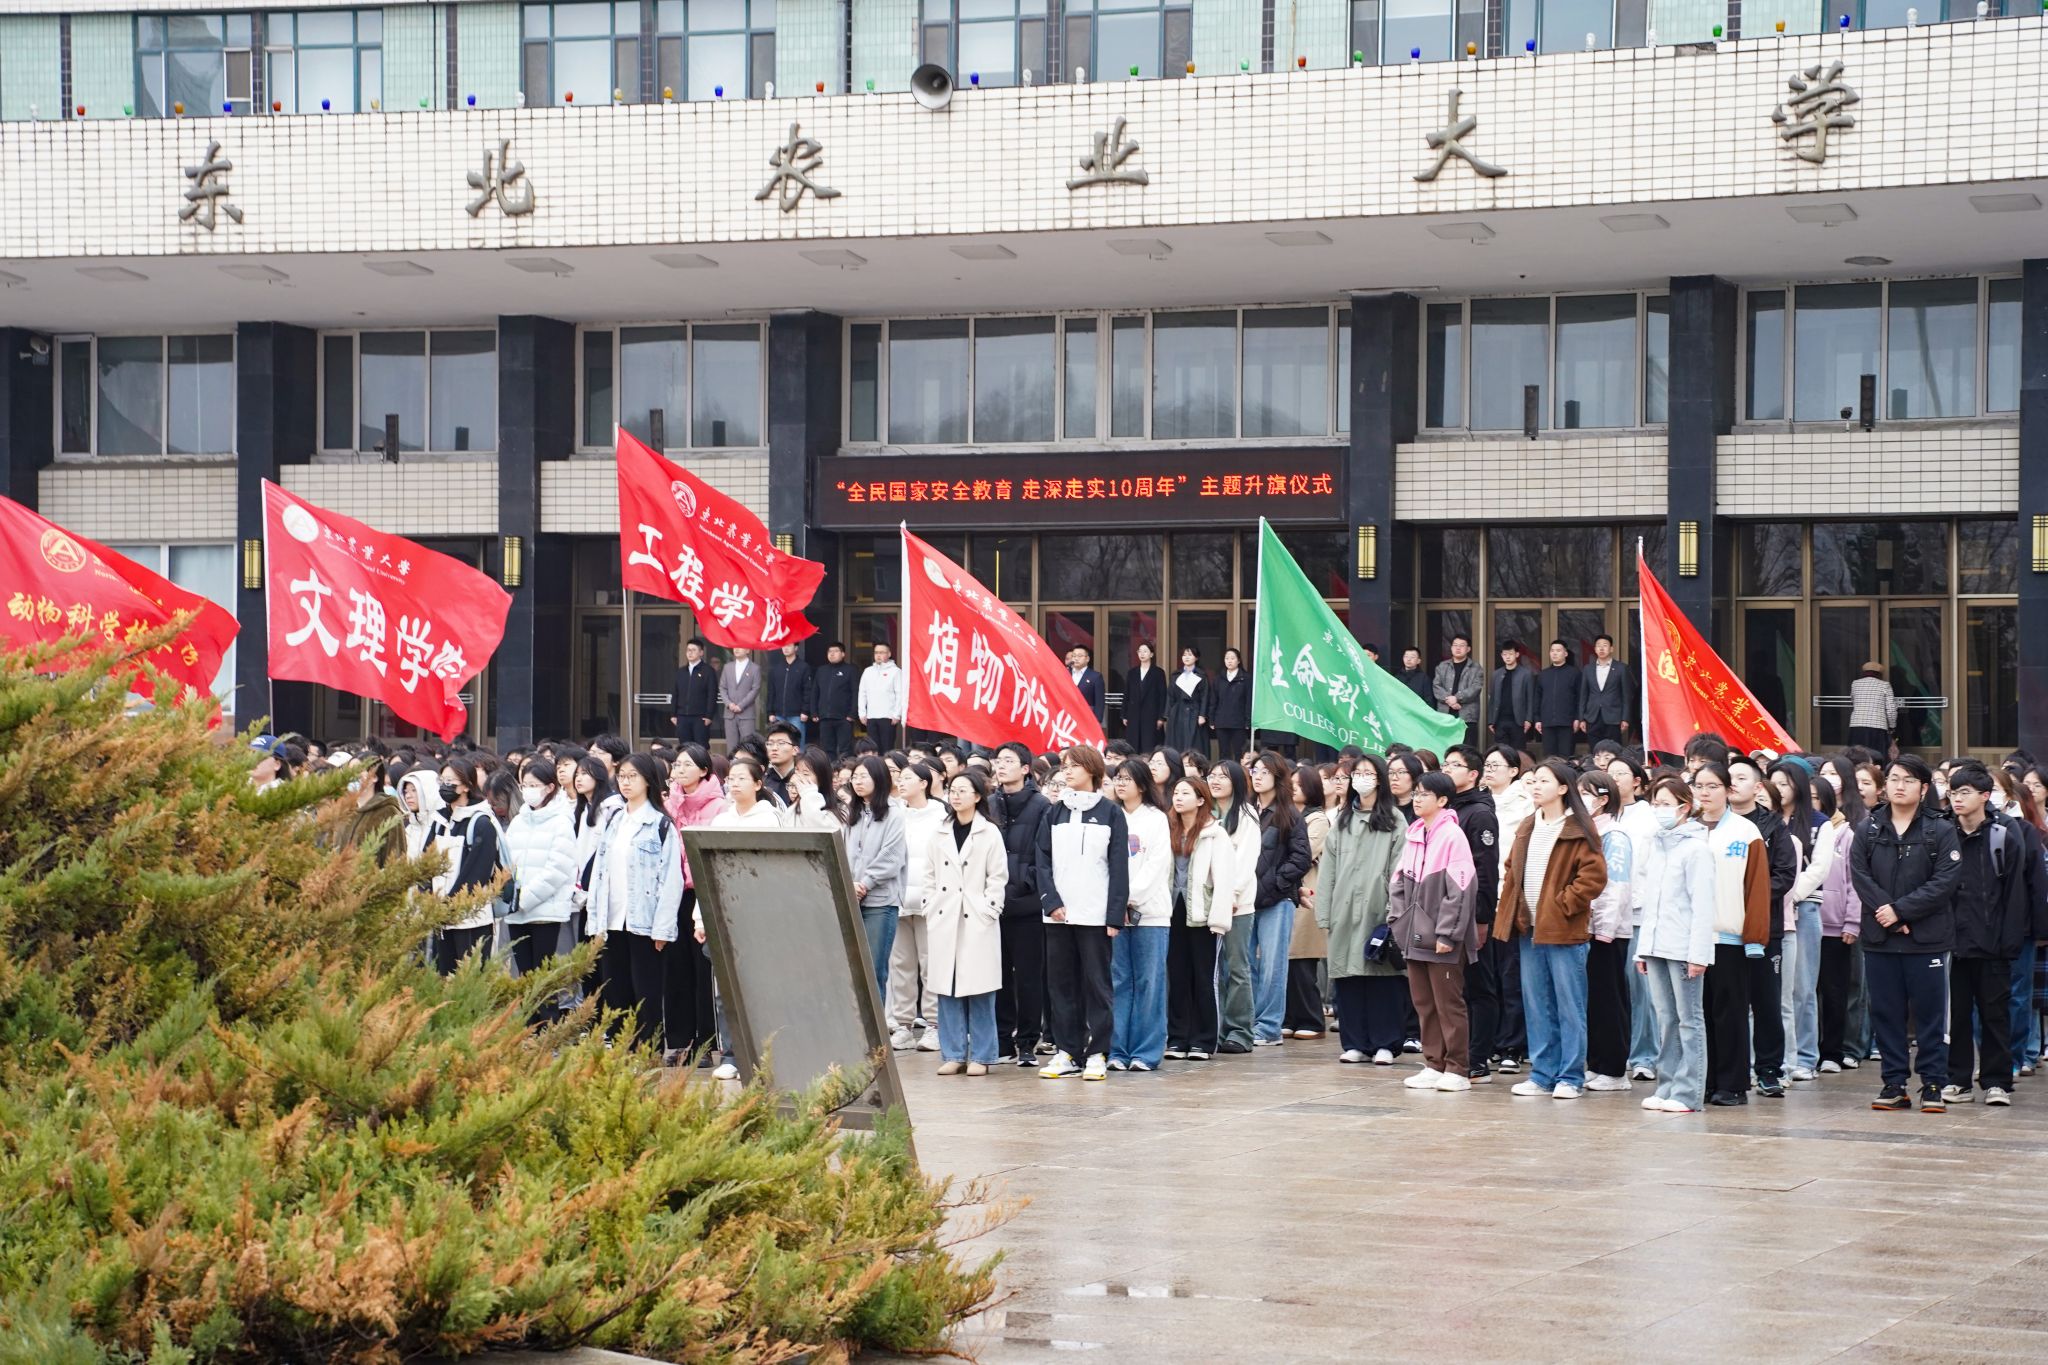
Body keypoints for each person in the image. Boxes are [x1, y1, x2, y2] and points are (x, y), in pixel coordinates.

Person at [1852, 755, 1962, 1112]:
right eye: (1894, 779)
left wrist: (1902, 911)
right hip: (1881, 939)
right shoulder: (1868, 828)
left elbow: (1945, 881)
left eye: (1909, 780)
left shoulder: (1940, 829)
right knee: (1886, 1014)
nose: (1900, 786)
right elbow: (1860, 876)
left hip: (1926, 939)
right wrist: (1888, 913)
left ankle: (1933, 1083)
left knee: (1931, 1015)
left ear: (1924, 788)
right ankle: (1894, 1083)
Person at [1495, 759, 1607, 1100]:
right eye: (1533, 781)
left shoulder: (1578, 827)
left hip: (1563, 930)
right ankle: (1542, 1074)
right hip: (1529, 928)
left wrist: (1562, 905)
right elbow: (1511, 867)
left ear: (1562, 788)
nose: (1536, 786)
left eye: (1544, 781)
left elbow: (1593, 877)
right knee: (1537, 1004)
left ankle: (1570, 1076)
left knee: (1570, 1006)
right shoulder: (1529, 824)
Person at [1036, 746, 1129, 1082]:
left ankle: (1098, 1052)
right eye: (1065, 766)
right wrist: (1051, 902)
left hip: (1095, 914)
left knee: (1097, 985)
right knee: (1061, 986)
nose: (1068, 771)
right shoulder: (1055, 812)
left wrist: (1114, 915)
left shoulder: (1111, 813)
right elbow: (1041, 860)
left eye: (1074, 765)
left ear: (1092, 770)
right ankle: (1067, 1051)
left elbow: (1119, 867)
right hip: (1059, 915)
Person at [1943, 765, 2031, 1106]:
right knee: (1957, 1015)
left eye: (1964, 792)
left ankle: (1997, 1082)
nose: (1957, 799)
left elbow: (2015, 893)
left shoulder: (2003, 834)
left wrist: (2010, 942)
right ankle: (1959, 1080)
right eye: (1953, 792)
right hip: (1952, 942)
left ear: (1984, 796)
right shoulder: (1943, 833)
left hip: (1993, 942)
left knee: (1995, 1015)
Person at [1632, 774, 1719, 1114]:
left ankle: (1688, 1092)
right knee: (1666, 1018)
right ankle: (1666, 1085)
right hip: (1656, 945)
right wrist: (1642, 949)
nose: (1659, 809)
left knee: (1689, 1020)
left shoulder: (1697, 849)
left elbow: (1703, 905)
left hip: (1683, 947)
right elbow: (1649, 900)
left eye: (1665, 804)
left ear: (1684, 807)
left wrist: (1699, 955)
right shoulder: (1655, 845)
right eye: (1655, 803)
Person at [585, 752, 683, 1053]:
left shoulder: (660, 825)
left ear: (648, 780)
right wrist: (595, 921)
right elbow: (599, 873)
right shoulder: (615, 820)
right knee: (616, 991)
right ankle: (621, 1051)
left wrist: (662, 928)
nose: (625, 782)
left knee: (647, 994)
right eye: (622, 776)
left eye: (633, 777)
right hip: (612, 920)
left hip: (645, 923)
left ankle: (648, 1053)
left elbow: (671, 880)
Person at [1389, 771, 1480, 1092]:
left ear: (1442, 800)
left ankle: (1457, 1068)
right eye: (1416, 793)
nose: (1417, 799)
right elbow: (1398, 883)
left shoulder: (1453, 836)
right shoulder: (1415, 833)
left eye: (1424, 794)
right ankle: (1433, 1063)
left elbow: (1461, 890)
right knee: (1424, 1003)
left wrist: (1447, 934)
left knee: (1448, 1004)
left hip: (1442, 938)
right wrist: (1398, 922)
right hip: (1414, 935)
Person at [1691, 762, 1771, 1107]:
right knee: (1698, 1014)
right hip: (1691, 939)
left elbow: (1756, 888)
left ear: (1728, 790)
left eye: (1713, 786)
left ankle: (1733, 1084)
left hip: (1729, 939)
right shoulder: (1686, 829)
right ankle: (1705, 1081)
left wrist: (1754, 938)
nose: (1705, 792)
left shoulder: (1745, 832)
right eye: (1699, 786)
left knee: (1730, 1012)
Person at [1321, 754, 1408, 1064]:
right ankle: (1354, 1042)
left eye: (1368, 773)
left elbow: (1400, 867)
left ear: (1380, 779)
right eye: (1357, 773)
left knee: (1382, 976)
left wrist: (1393, 908)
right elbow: (1328, 869)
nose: (1361, 778)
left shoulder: (1395, 819)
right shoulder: (1343, 820)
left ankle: (1386, 1043)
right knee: (1348, 976)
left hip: (1379, 908)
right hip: (1344, 909)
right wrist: (1325, 911)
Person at [924, 770, 1008, 1076]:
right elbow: (929, 874)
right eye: (953, 790)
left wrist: (990, 909)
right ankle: (954, 1053)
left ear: (977, 796)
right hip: (945, 916)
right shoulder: (939, 831)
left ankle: (983, 1056)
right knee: (947, 987)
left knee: (980, 988)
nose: (956, 796)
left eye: (963, 790)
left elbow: (997, 877)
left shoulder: (989, 832)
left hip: (976, 917)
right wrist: (930, 905)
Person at [1729, 754, 1795, 1098]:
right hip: (1721, 928)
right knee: (1728, 1003)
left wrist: (1748, 896)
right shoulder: (1713, 823)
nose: (1733, 782)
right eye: (1729, 777)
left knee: (1767, 1001)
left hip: (1765, 927)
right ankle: (1731, 1070)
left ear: (1757, 787)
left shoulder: (1772, 826)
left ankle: (1769, 1070)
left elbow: (1785, 874)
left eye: (1742, 777)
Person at [1440, 746, 1502, 1081]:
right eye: (1445, 763)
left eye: (1455, 764)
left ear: (1473, 774)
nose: (1447, 768)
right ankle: (1455, 1054)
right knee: (1452, 988)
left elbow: (1485, 870)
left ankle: (1478, 1058)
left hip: (1472, 911)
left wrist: (1481, 918)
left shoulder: (1479, 814)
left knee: (1479, 986)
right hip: (1445, 909)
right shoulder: (1447, 808)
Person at [1108, 757, 1172, 1072]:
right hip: (1114, 915)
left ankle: (1146, 1052)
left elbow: (1156, 867)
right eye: (1117, 778)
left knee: (1150, 982)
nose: (1120, 784)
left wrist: (1128, 899)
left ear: (1142, 785)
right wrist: (1115, 904)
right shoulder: (1110, 816)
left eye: (1127, 779)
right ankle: (1117, 1050)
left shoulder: (1157, 819)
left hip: (1151, 915)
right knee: (1119, 981)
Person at [1165, 774, 1235, 1061]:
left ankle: (1204, 1040)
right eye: (1176, 793)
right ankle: (1177, 1038)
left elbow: (1224, 879)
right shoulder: (1167, 829)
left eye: (1185, 793)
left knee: (1204, 977)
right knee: (1177, 975)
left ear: (1200, 800)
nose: (1178, 798)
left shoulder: (1215, 833)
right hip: (1172, 910)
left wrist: (1219, 919)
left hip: (1203, 914)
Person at [663, 744, 725, 1063]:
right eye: (677, 764)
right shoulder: (668, 804)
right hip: (673, 892)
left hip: (702, 892)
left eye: (688, 765)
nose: (680, 769)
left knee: (703, 970)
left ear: (704, 770)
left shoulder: (719, 807)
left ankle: (705, 1042)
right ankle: (679, 1041)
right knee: (676, 968)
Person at [990, 742, 1051, 1065]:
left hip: (1027, 905)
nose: (1001, 766)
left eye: (1008, 761)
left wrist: (1025, 883)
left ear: (1026, 769)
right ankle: (1002, 1041)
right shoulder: (989, 804)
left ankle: (1027, 1041)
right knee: (997, 976)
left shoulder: (1041, 806)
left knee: (1028, 977)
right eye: (998, 761)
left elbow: (1044, 854)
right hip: (992, 904)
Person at [503, 757, 580, 1015]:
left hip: (545, 911)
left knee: (543, 977)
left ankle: (548, 1027)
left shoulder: (561, 821)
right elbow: (507, 861)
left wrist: (524, 898)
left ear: (550, 787)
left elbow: (557, 870)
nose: (528, 790)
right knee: (525, 977)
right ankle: (529, 1026)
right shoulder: (519, 821)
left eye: (534, 785)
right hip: (517, 912)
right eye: (524, 785)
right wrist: (509, 895)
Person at [1576, 769, 1635, 1092]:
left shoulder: (1615, 835)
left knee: (1609, 999)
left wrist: (1604, 929)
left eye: (1585, 793)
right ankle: (1596, 1063)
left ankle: (1614, 1069)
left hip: (1607, 932)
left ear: (1603, 799)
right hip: (1586, 929)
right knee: (1594, 1000)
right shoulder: (1586, 831)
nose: (1579, 799)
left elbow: (1616, 886)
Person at [1248, 752, 1312, 1047]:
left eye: (1264, 771)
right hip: (1245, 899)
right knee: (1244, 963)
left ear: (1278, 777)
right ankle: (1246, 1022)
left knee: (1273, 966)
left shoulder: (1289, 814)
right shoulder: (1246, 812)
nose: (1258, 776)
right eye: (1255, 771)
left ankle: (1269, 1026)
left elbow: (1301, 858)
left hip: (1277, 900)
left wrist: (1275, 883)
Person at [888, 760, 947, 1054]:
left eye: (908, 778)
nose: (901, 782)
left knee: (930, 964)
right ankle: (903, 1025)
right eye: (900, 778)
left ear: (924, 783)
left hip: (929, 903)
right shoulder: (894, 814)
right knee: (901, 966)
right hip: (898, 900)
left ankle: (935, 1025)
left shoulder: (941, 816)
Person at [1480, 743, 1531, 1071]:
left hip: (1509, 899)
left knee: (1511, 975)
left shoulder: (1525, 805)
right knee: (1486, 977)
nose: (1489, 769)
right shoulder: (1478, 802)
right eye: (1486, 764)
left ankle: (1513, 1044)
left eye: (1496, 765)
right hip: (1481, 898)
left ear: (1513, 771)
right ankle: (1491, 1041)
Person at [1778, 760, 1830, 1082]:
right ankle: (1780, 1055)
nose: (1777, 789)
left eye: (1784, 784)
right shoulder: (1766, 820)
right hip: (1772, 910)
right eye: (1773, 783)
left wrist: (1792, 895)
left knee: (1803, 987)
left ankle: (1806, 1057)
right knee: (1777, 991)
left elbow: (1819, 868)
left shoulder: (1818, 822)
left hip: (1804, 906)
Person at [1208, 759, 1262, 1053]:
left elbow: (1245, 861)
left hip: (1236, 904)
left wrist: (1231, 894)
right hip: (1206, 903)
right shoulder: (1206, 811)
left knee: (1237, 967)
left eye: (1223, 777)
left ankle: (1240, 1031)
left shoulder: (1246, 814)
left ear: (1237, 782)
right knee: (1213, 969)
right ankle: (1214, 1029)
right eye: (1212, 775)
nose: (1215, 781)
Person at [1817, 756, 1866, 1074]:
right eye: (1824, 773)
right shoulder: (1803, 827)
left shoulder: (1851, 829)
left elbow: (1854, 880)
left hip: (1840, 922)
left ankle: (1845, 1047)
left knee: (1844, 988)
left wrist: (1852, 920)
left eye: (1834, 774)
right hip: (1810, 920)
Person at [843, 753, 907, 995]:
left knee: (873, 970)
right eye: (855, 777)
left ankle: (876, 1020)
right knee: (852, 970)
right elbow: (843, 851)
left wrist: (865, 883)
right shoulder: (852, 812)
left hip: (880, 902)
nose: (857, 781)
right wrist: (849, 884)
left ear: (879, 778)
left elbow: (891, 858)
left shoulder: (894, 813)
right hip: (851, 897)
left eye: (864, 776)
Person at [433, 759, 505, 975]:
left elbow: (477, 874)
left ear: (466, 785)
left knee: (471, 978)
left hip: (471, 918)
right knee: (444, 979)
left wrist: (450, 903)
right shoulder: (440, 821)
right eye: (442, 781)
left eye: (450, 781)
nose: (445, 786)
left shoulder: (481, 823)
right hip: (441, 917)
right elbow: (427, 864)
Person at [1285, 764, 1332, 1039]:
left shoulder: (1318, 819)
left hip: (1308, 894)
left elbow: (1303, 853)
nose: (1293, 789)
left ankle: (1312, 1019)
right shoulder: (1288, 814)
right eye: (1291, 784)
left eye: (1299, 785)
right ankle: (1290, 1017)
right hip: (1288, 892)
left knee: (1303, 960)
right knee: (1288, 962)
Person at [336, 756, 407, 867]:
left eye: (358, 771)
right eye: (350, 772)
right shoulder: (345, 810)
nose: (352, 777)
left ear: (374, 777)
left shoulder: (388, 811)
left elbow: (396, 858)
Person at [1578, 634, 1630, 747]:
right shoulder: (1588, 669)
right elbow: (1583, 695)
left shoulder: (1621, 668)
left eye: (1605, 645)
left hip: (1613, 717)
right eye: (1598, 646)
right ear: (1595, 649)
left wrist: (1625, 718)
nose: (1601, 648)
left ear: (1611, 649)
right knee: (1594, 750)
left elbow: (1626, 696)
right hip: (1592, 717)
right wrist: (1581, 718)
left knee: (1613, 750)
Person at [1433, 634, 1483, 747]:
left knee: (1466, 749)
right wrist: (1450, 700)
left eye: (1462, 645)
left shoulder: (1476, 668)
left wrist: (1457, 698)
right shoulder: (1442, 666)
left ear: (1468, 649)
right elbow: (1436, 686)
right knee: (1445, 747)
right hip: (1445, 715)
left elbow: (1475, 688)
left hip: (1467, 716)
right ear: (1451, 648)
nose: (1458, 648)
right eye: (1455, 645)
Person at [1535, 639, 1581, 759]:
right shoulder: (1543, 674)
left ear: (1565, 653)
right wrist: (1537, 719)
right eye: (1552, 651)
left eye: (1558, 650)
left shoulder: (1574, 673)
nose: (1554, 653)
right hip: (1547, 722)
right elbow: (1537, 698)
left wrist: (1577, 718)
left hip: (1567, 722)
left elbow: (1579, 698)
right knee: (1549, 757)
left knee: (1566, 757)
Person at [810, 642, 856, 759]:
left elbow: (855, 693)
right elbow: (815, 692)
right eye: (830, 651)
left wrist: (852, 713)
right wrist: (814, 712)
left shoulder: (850, 670)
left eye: (835, 651)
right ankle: (830, 769)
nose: (832, 654)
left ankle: (845, 769)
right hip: (825, 717)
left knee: (845, 750)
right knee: (827, 749)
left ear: (843, 654)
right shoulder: (821, 670)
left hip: (844, 718)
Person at [1489, 642, 1537, 753]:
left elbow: (1530, 698)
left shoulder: (1526, 674)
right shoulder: (1496, 674)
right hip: (1500, 720)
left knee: (1518, 753)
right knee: (1502, 753)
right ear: (1501, 656)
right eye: (1505, 654)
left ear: (1517, 654)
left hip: (1518, 721)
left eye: (1510, 654)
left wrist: (1529, 719)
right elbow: (1492, 699)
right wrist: (1491, 720)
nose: (1507, 657)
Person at [857, 643, 905, 752]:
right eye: (876, 652)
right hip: (871, 716)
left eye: (882, 652)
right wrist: (862, 713)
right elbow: (862, 693)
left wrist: (897, 714)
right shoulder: (868, 671)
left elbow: (900, 694)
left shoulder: (896, 671)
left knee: (887, 747)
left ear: (889, 654)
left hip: (888, 716)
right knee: (873, 748)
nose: (878, 655)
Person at [1165, 647, 1211, 755]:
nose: (1186, 657)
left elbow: (1205, 696)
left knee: (1193, 743)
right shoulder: (1176, 675)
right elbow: (1170, 695)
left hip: (1194, 711)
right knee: (1177, 741)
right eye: (1184, 655)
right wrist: (1168, 714)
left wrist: (1202, 715)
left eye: (1190, 655)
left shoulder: (1201, 675)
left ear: (1196, 658)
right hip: (1178, 711)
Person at [1122, 642, 1169, 748]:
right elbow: (1127, 694)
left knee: (1149, 744)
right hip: (1134, 713)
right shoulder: (1132, 672)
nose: (1142, 654)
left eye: (1145, 651)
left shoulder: (1158, 672)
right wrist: (1124, 714)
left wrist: (1161, 717)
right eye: (1140, 651)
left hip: (1152, 714)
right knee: (1133, 744)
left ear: (1151, 654)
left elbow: (1162, 696)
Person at [1847, 662, 1899, 756]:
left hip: (1856, 725)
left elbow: (1853, 701)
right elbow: (1891, 709)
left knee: (1856, 755)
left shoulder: (1855, 684)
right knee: (1876, 756)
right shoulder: (1885, 685)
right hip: (1877, 726)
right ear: (1879, 673)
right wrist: (1892, 726)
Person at [1210, 649, 1252, 761]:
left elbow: (1248, 701)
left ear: (1238, 661)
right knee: (1223, 752)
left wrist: (1248, 720)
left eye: (1232, 658)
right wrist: (1212, 719)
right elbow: (1213, 700)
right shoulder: (1218, 678)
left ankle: (1238, 771)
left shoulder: (1246, 678)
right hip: (1221, 721)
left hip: (1239, 722)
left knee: (1239, 752)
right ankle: (1224, 771)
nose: (1229, 661)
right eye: (1227, 658)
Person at [675, 636, 717, 746]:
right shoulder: (681, 672)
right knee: (684, 747)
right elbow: (675, 693)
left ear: (701, 653)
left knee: (701, 748)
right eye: (688, 650)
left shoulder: (708, 671)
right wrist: (673, 714)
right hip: (682, 716)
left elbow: (712, 694)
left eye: (694, 650)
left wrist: (709, 715)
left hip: (700, 717)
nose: (690, 653)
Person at [718, 647, 761, 752]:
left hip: (746, 714)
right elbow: (722, 687)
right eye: (735, 647)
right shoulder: (727, 667)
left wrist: (741, 705)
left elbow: (755, 689)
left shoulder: (755, 668)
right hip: (730, 714)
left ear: (748, 650)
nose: (736, 649)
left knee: (748, 747)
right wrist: (729, 704)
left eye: (740, 647)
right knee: (731, 748)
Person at [1066, 646, 1108, 731]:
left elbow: (1099, 702)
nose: (1076, 658)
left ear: (1087, 659)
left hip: (1087, 717)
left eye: (1080, 656)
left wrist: (1097, 721)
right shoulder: (1065, 673)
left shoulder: (1095, 676)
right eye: (1074, 656)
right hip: (1068, 718)